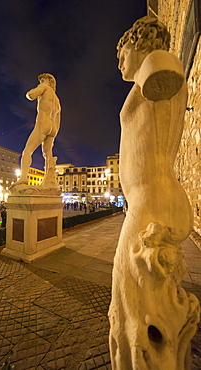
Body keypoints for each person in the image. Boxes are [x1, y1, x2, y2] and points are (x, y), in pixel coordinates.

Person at [109, 16, 199, 369]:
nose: (118, 62)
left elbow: (166, 69)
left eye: (122, 51)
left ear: (140, 41)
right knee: (147, 307)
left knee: (131, 310)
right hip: (153, 202)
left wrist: (155, 57)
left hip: (151, 205)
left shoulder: (159, 63)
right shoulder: (151, 71)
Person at [14, 73, 61, 186]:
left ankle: (24, 177)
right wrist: (53, 135)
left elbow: (31, 95)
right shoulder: (57, 100)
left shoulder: (44, 87)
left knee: (27, 151)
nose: (40, 82)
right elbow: (58, 121)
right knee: (48, 155)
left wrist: (32, 91)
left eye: (42, 80)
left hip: (43, 123)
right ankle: (49, 181)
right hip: (53, 128)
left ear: (46, 81)